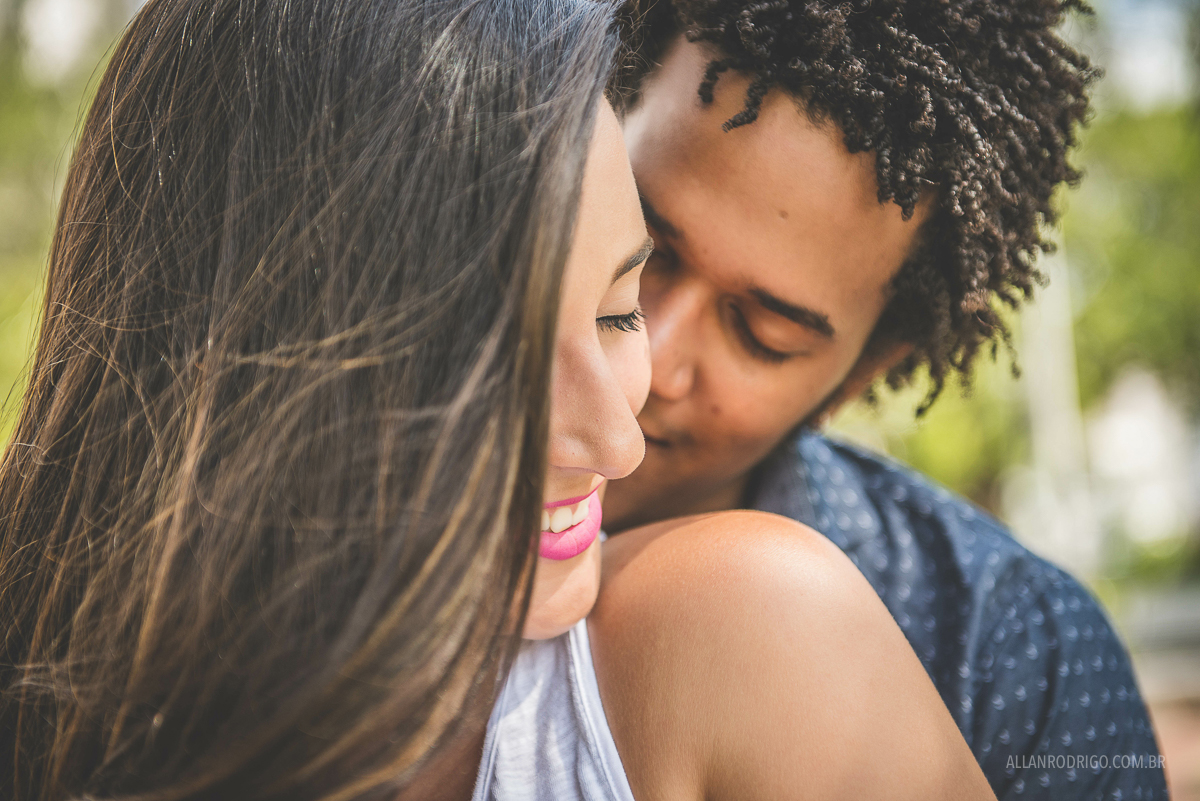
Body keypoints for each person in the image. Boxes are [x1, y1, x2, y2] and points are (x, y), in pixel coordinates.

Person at [0, 0, 996, 799]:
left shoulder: (752, 636)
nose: (618, 439)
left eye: (614, 314)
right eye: (504, 342)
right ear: (254, 346)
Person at [604, 1, 1168, 799]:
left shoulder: (1009, 652)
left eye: (760, 333)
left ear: (860, 375)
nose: (647, 353)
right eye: (638, 246)